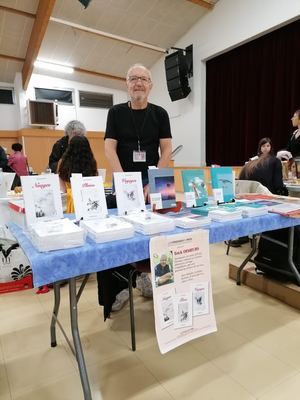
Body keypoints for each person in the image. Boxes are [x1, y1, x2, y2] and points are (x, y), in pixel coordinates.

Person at [104, 63, 172, 200]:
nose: (138, 83)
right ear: (127, 84)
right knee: (122, 219)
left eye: (143, 79)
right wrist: (123, 179)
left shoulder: (161, 113)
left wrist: (155, 181)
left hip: (153, 177)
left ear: (150, 85)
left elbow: (167, 149)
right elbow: (109, 148)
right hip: (123, 175)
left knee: (163, 218)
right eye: (133, 79)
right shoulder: (115, 112)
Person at [58, 135, 98, 212]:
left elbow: (63, 189)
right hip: (87, 201)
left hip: (68, 203)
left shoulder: (63, 164)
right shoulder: (91, 163)